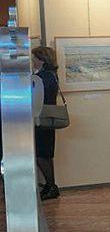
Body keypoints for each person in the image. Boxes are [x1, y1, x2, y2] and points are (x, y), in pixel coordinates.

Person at [31, 45, 60, 200]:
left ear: (42, 60)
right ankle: (51, 186)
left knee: (41, 155)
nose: (33, 62)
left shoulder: (43, 77)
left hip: (42, 118)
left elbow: (36, 97)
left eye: (34, 59)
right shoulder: (51, 75)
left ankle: (51, 186)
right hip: (47, 118)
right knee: (45, 154)